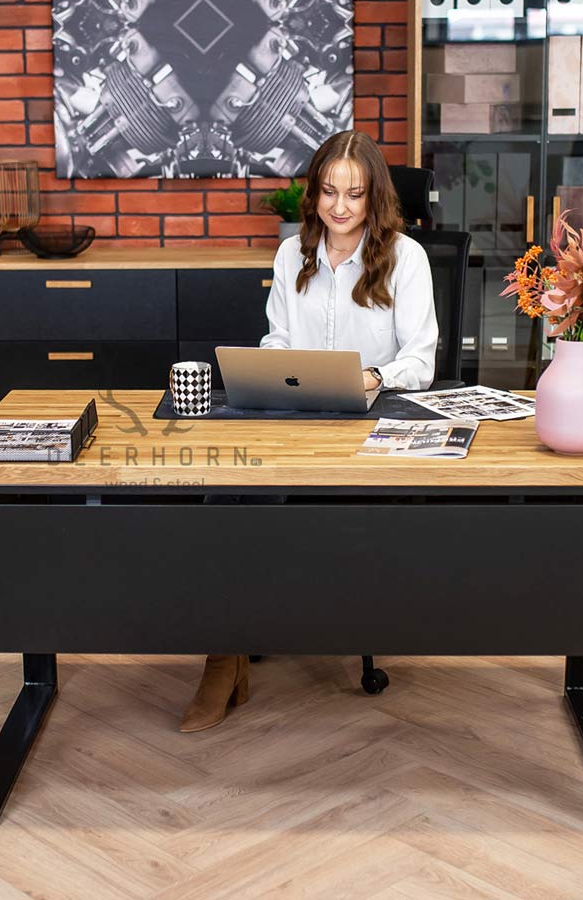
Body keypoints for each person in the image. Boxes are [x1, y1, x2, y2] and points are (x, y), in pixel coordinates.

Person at [178, 130, 438, 732]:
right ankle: (223, 656)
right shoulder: (292, 253)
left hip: (371, 422)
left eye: (354, 194)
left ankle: (245, 641)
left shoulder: (407, 258)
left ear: (376, 197)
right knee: (226, 495)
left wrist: (372, 376)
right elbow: (278, 339)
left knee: (312, 516)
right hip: (295, 419)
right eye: (328, 192)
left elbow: (421, 362)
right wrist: (275, 364)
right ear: (313, 194)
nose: (340, 207)